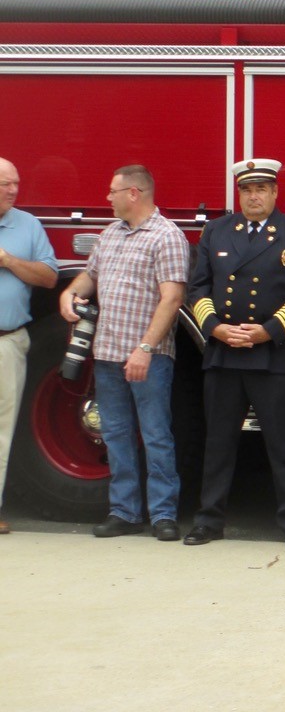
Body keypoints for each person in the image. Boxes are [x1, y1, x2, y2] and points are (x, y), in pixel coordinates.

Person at [184, 159, 285, 549]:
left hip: (272, 356)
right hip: (224, 355)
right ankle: (209, 520)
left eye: (261, 189)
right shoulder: (216, 231)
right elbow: (198, 289)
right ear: (238, 193)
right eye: (247, 190)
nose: (254, 196)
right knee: (219, 443)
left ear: (275, 192)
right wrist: (215, 328)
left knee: (283, 444)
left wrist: (266, 331)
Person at [57, 165, 188, 541]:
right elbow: (90, 276)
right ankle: (125, 512)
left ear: (134, 193)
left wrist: (145, 349)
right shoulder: (109, 234)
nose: (107, 198)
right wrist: (70, 293)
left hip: (148, 357)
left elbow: (173, 298)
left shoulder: (166, 237)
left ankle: (163, 514)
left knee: (156, 434)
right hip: (108, 354)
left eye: (113, 191)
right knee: (115, 434)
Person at [0, 158, 58, 534]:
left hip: (7, 341)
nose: (13, 189)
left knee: (2, 429)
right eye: (6, 183)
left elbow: (50, 276)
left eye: (16, 183)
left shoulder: (28, 225)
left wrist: (7, 260)